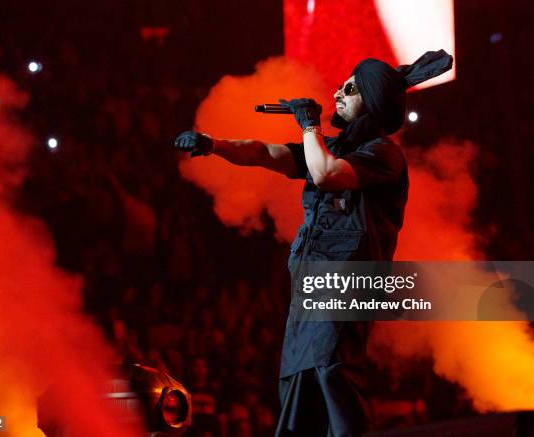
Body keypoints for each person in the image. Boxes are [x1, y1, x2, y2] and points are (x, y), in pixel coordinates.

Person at [174, 50, 453, 436]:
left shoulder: (382, 153)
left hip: (348, 282)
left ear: (371, 102)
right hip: (312, 284)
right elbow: (263, 152)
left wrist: (309, 126)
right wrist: (213, 144)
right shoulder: (329, 147)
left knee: (331, 368)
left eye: (351, 87)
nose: (339, 90)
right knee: (298, 376)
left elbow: (326, 175)